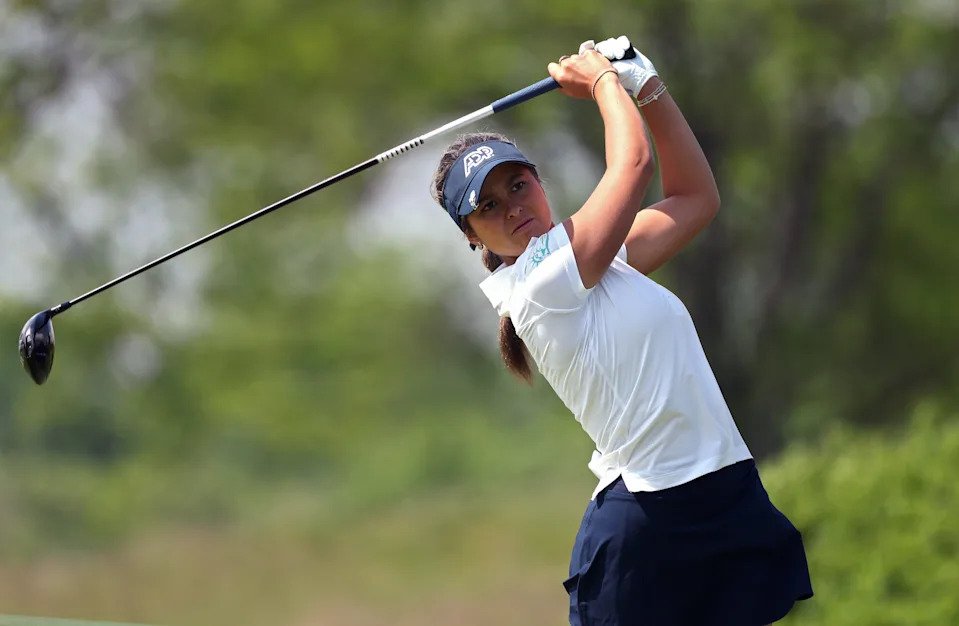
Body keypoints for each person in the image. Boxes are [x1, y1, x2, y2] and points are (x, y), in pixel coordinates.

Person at [430, 36, 813, 626]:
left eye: (517, 184)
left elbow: (695, 198)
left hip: (723, 492)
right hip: (647, 527)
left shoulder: (603, 260)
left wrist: (648, 87)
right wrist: (603, 83)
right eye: (488, 207)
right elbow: (632, 165)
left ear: (539, 181)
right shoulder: (538, 282)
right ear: (473, 238)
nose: (512, 207)